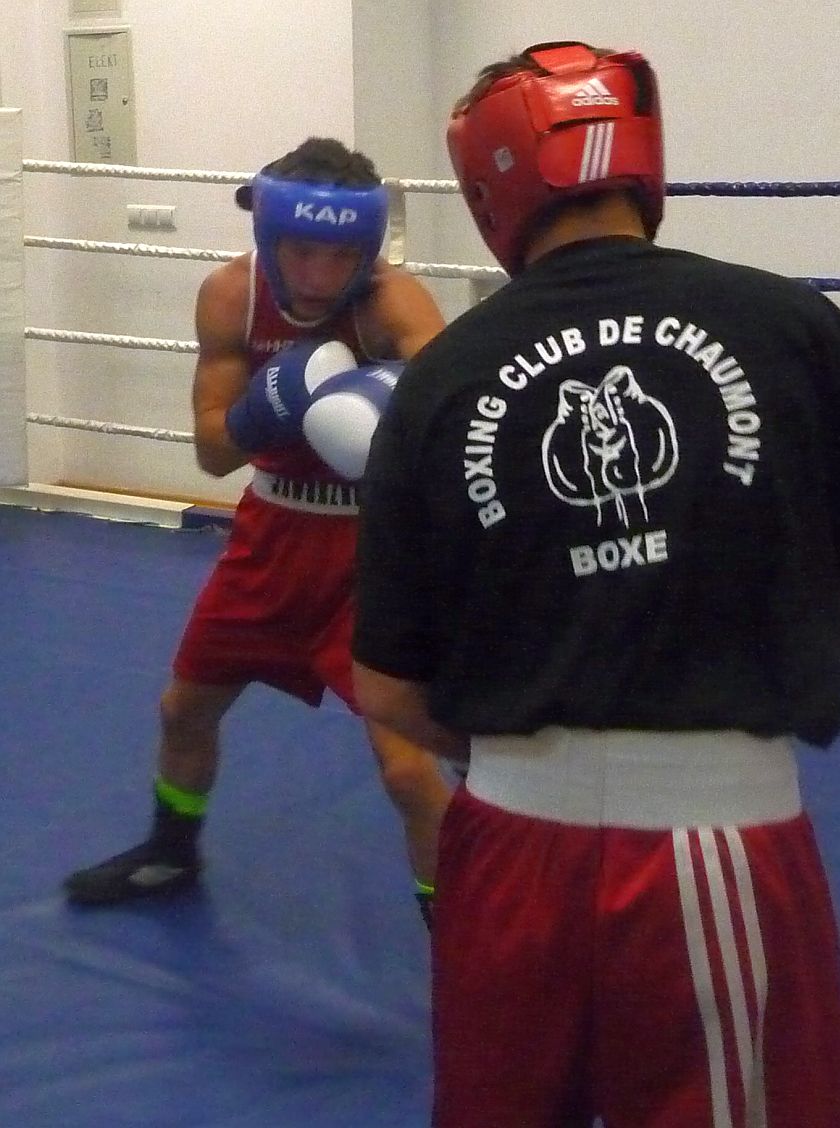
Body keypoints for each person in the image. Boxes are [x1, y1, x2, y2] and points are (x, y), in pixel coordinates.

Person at [351, 42, 840, 1127]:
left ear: (491, 185)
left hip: (501, 850)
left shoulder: (440, 378)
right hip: (716, 851)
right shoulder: (797, 331)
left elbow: (386, 688)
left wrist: (546, 756)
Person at [64, 137, 453, 926]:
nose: (316, 275)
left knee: (409, 771)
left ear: (367, 249)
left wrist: (390, 401)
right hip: (268, 539)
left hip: (371, 554)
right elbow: (213, 453)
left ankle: (455, 919)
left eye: (339, 256)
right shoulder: (230, 296)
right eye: (299, 251)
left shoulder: (391, 301)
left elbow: (455, 413)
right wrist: (268, 408)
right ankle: (172, 849)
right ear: (268, 236)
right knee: (184, 710)